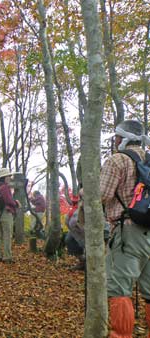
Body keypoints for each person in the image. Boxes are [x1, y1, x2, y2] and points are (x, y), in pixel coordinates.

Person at [99, 120, 150, 337]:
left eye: (117, 137)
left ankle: (121, 335)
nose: (115, 141)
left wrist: (85, 193)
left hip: (127, 232)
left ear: (123, 139)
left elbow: (102, 195)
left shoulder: (117, 160)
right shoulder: (148, 161)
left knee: (119, 290)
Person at [0, 168, 21, 263]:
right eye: (8, 176)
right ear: (4, 177)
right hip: (5, 213)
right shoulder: (5, 187)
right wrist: (16, 203)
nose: (10, 178)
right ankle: (7, 257)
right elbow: (8, 200)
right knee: (7, 235)